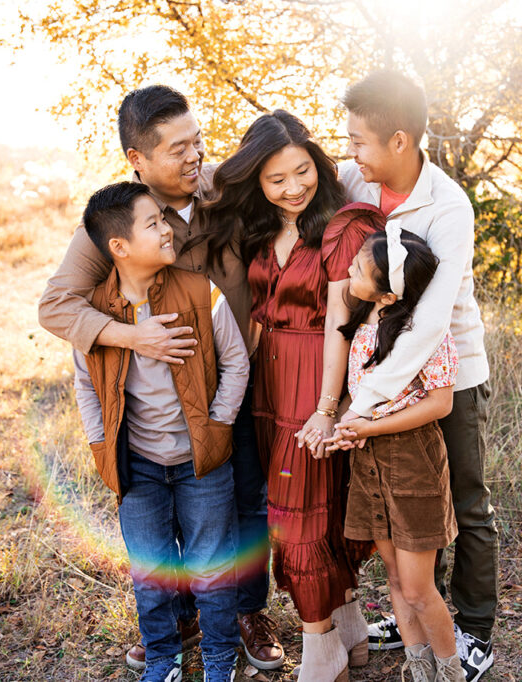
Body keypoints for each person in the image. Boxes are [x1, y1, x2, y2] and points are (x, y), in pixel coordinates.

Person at [38, 85, 284, 671]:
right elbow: (55, 307)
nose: (195, 156)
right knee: (169, 513)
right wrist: (133, 336)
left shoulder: (220, 184)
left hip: (239, 373)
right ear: (138, 160)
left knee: (245, 498)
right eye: (179, 149)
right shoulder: (122, 218)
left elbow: (293, 170)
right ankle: (178, 624)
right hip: (166, 400)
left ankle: (247, 610)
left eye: (198, 140)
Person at [197, 110, 376, 681]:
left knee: (304, 518)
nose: (294, 187)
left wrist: (328, 409)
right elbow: (254, 320)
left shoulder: (342, 227)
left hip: (315, 382)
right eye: (277, 179)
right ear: (257, 182)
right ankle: (350, 630)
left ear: (318, 165)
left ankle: (321, 648)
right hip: (265, 387)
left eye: (303, 171)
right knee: (299, 514)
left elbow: (341, 327)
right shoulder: (259, 229)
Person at [338, 71, 498, 681]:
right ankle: (415, 607)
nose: (350, 152)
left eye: (359, 141)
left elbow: (429, 325)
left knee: (463, 498)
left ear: (399, 140)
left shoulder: (449, 207)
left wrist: (365, 403)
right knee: (399, 504)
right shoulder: (359, 178)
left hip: (443, 375)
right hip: (376, 370)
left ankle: (473, 630)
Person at [70, 181, 249, 682]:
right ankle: (164, 656)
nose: (168, 228)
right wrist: (101, 445)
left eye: (163, 219)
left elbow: (235, 362)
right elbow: (87, 386)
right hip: (137, 465)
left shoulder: (198, 290)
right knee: (150, 574)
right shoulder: (95, 314)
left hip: (201, 459)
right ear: (119, 247)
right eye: (153, 223)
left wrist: (218, 426)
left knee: (212, 568)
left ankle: (218, 654)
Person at [325, 223, 466, 682]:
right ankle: (419, 668)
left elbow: (439, 403)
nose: (350, 267)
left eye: (360, 268)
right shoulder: (363, 319)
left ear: (387, 295)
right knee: (393, 576)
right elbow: (358, 393)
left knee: (419, 586)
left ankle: (449, 674)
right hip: (367, 460)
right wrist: (345, 426)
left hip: (410, 459)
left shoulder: (422, 333)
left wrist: (371, 426)